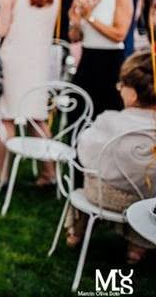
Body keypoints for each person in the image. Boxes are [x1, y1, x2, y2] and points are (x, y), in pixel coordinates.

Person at [65, 51, 156, 264]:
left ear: (132, 94)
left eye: (121, 86)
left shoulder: (110, 121)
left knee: (91, 177)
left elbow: (84, 154)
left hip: (103, 197)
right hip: (148, 202)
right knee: (147, 190)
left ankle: (77, 232)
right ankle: (137, 247)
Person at [0, 0, 58, 186]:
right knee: (37, 118)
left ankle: (2, 174)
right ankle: (49, 173)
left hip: (13, 61)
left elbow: (1, 28)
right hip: (39, 62)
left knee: (6, 118)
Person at [68, 0, 133, 117]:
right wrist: (75, 20)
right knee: (79, 113)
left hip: (110, 63)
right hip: (87, 60)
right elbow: (75, 37)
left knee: (106, 114)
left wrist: (89, 17)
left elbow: (119, 34)